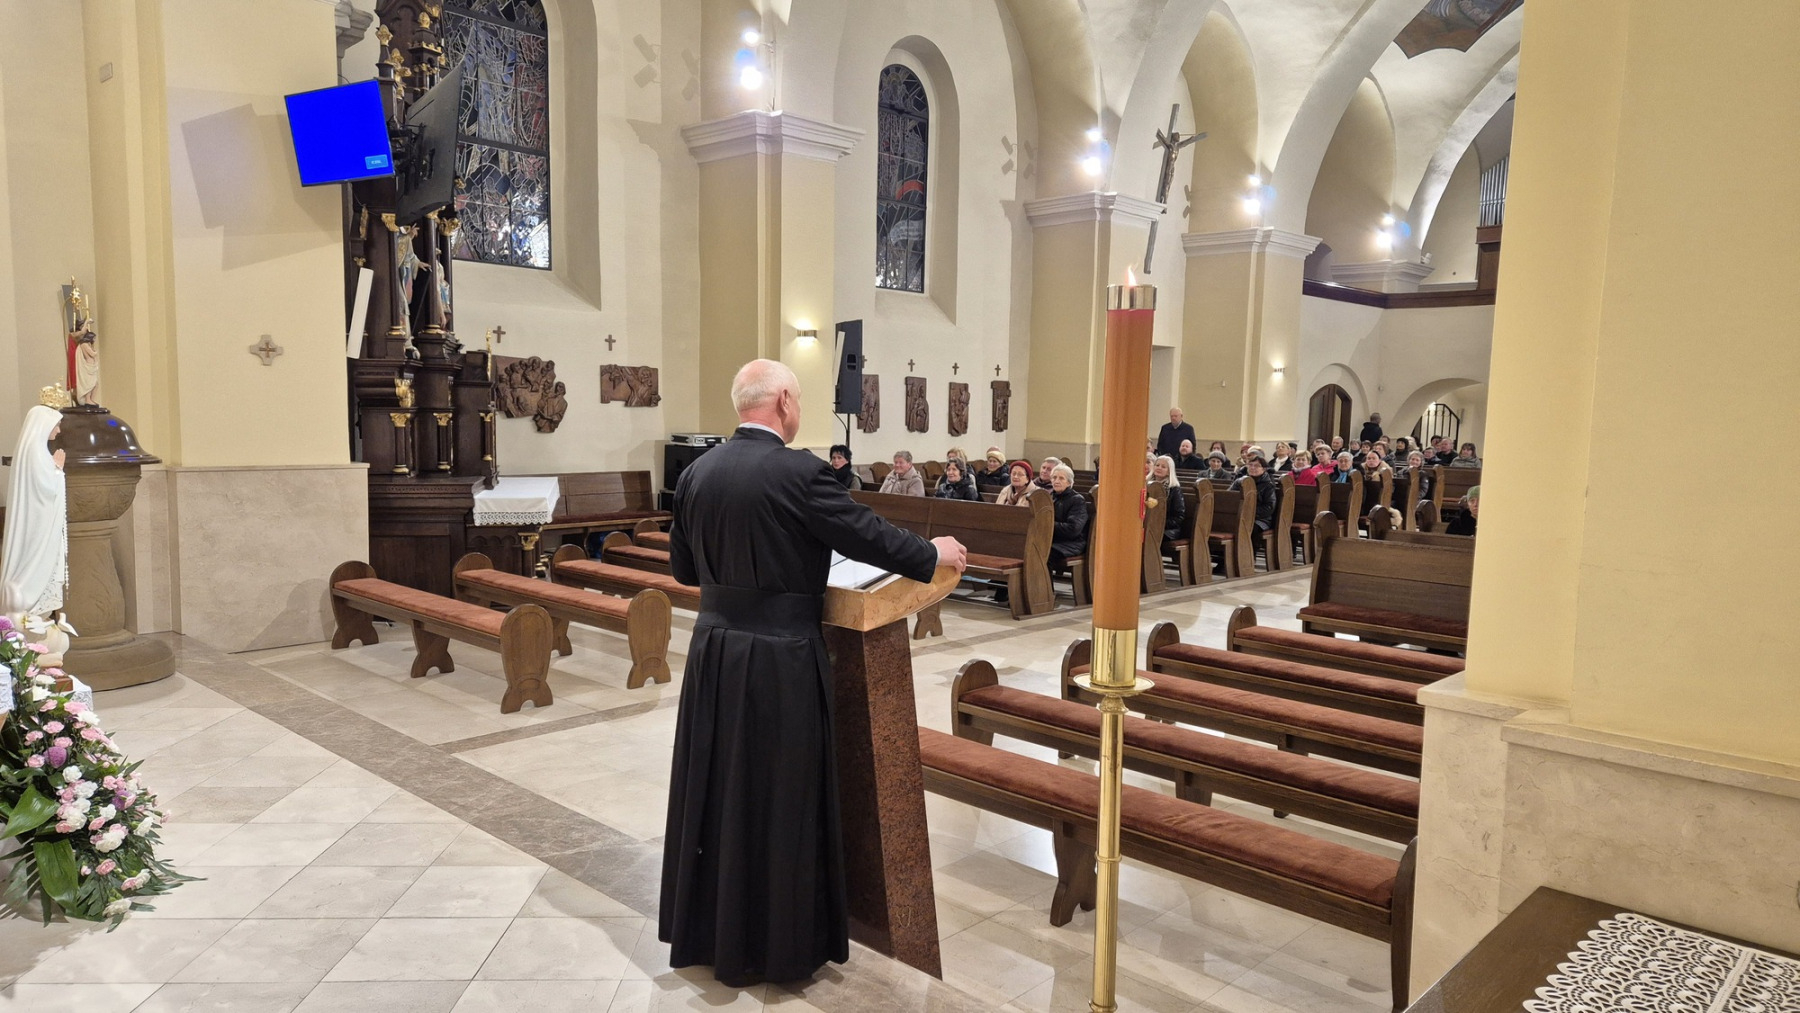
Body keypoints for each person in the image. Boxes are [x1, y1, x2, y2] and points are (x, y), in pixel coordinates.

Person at [660, 359, 968, 988]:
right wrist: (930, 552)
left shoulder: (696, 473)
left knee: (718, 788)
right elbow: (865, 534)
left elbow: (685, 572)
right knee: (782, 794)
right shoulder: (801, 472)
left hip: (715, 653)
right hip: (780, 657)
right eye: (798, 399)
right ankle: (778, 947)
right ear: (782, 401)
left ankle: (716, 933)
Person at [1, 405, 68, 620]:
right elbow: (45, 491)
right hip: (36, 525)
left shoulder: (32, 450)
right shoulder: (36, 452)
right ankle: (27, 606)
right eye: (56, 425)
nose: (58, 430)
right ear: (44, 425)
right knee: (33, 565)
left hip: (33, 521)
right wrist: (57, 470)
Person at [1046, 464, 1088, 571]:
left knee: (1042, 554)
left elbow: (1073, 529)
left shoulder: (1077, 500)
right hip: (1052, 540)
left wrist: (1047, 525)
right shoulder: (1049, 497)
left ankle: (1045, 582)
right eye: (1054, 477)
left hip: (1071, 543)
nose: (1056, 481)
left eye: (1061, 478)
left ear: (1069, 482)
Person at [1229, 455, 1279, 536]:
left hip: (1260, 520)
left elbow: (1269, 508)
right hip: (1240, 516)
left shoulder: (1268, 485)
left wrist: (1248, 512)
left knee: (1245, 528)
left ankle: (1246, 544)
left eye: (1256, 466)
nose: (1252, 468)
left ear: (1264, 469)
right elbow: (1228, 497)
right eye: (1250, 465)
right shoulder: (1241, 481)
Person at [1151, 455, 1185, 549]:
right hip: (1149, 525)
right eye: (1157, 465)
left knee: (1151, 535)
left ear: (1169, 471)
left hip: (1168, 529)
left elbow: (1179, 517)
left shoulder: (1174, 489)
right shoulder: (1147, 484)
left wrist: (1159, 524)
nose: (1159, 468)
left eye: (1163, 467)